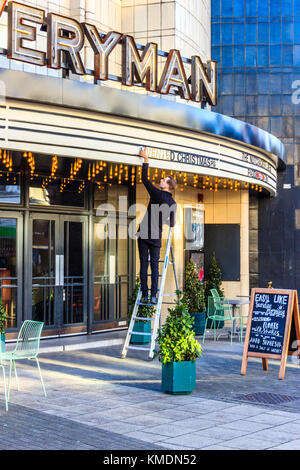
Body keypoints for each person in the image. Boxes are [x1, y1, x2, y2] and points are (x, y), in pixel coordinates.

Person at [137, 147, 177, 304]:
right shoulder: (173, 203)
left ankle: (145, 295)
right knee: (154, 267)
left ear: (167, 185)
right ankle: (154, 296)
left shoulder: (156, 193)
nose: (160, 180)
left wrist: (146, 159)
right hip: (156, 237)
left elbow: (145, 179)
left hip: (143, 234)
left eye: (163, 180)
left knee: (143, 265)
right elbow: (172, 223)